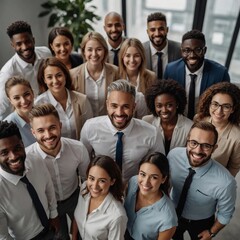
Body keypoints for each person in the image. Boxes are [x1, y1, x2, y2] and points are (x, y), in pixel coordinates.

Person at [26, 103, 90, 240]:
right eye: (41, 130)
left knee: (84, 234)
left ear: (60, 126)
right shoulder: (27, 159)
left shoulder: (78, 149)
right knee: (60, 237)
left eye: (52, 127)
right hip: (48, 206)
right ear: (33, 132)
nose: (48, 135)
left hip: (75, 198)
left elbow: (86, 180)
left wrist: (86, 207)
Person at [80, 79, 165, 183]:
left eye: (125, 106)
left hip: (137, 188)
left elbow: (158, 168)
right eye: (114, 106)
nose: (119, 113)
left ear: (134, 107)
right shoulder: (90, 128)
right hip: (101, 190)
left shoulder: (152, 133)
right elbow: (84, 165)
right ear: (107, 104)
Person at [167, 121, 236, 240]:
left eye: (206, 146)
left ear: (214, 148)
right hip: (172, 213)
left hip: (201, 222)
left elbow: (225, 214)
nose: (198, 151)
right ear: (187, 140)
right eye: (194, 143)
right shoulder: (173, 156)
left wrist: (211, 232)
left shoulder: (226, 182)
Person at [0, 121, 59, 239]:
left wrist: (54, 214)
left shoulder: (35, 159)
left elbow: (48, 186)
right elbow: (3, 236)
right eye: (4, 152)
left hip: (50, 225)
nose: (13, 156)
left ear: (22, 144)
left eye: (17, 148)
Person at [164, 29, 230, 119]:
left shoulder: (220, 73)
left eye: (198, 50)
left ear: (205, 50)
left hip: (207, 121)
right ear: (181, 51)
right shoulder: (170, 70)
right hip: (179, 120)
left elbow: (226, 103)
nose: (192, 55)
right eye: (186, 50)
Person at [0, 20, 51, 120]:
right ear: (13, 46)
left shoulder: (46, 53)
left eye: (27, 41)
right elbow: (1, 107)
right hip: (23, 118)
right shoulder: (7, 72)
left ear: (33, 40)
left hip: (47, 111)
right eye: (19, 44)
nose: (24, 47)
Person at [36, 57, 93, 140]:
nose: (55, 81)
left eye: (59, 75)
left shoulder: (82, 100)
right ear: (44, 80)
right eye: (49, 77)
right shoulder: (38, 104)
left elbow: (90, 131)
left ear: (65, 75)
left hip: (79, 150)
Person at [72, 155, 127, 240]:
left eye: (102, 181)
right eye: (92, 178)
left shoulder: (117, 216)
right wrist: (74, 237)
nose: (94, 186)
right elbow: (78, 215)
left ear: (112, 181)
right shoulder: (84, 188)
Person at [124, 152, 177, 240]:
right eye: (142, 174)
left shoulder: (168, 217)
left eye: (154, 177)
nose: (145, 182)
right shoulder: (133, 182)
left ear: (163, 179)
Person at [195, 82, 240, 177]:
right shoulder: (198, 119)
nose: (219, 111)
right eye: (215, 104)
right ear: (209, 103)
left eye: (226, 107)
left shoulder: (237, 137)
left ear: (233, 109)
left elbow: (234, 168)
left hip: (214, 181)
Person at [70, 31, 119, 117]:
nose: (94, 54)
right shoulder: (72, 75)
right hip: (83, 125)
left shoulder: (116, 72)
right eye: (89, 50)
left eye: (99, 49)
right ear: (83, 52)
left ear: (105, 51)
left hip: (108, 125)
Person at [143, 79, 193, 154]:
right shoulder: (147, 122)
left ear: (177, 104)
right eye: (159, 106)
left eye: (169, 105)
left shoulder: (189, 127)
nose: (164, 110)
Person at [143, 12, 181, 78]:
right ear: (147, 32)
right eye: (152, 30)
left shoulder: (180, 49)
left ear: (167, 30)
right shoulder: (140, 50)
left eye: (161, 29)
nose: (157, 34)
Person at [4, 76, 36, 147]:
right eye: (16, 98)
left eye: (26, 94)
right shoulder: (7, 126)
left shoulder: (45, 115)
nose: (23, 101)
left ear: (32, 93)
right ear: (10, 101)